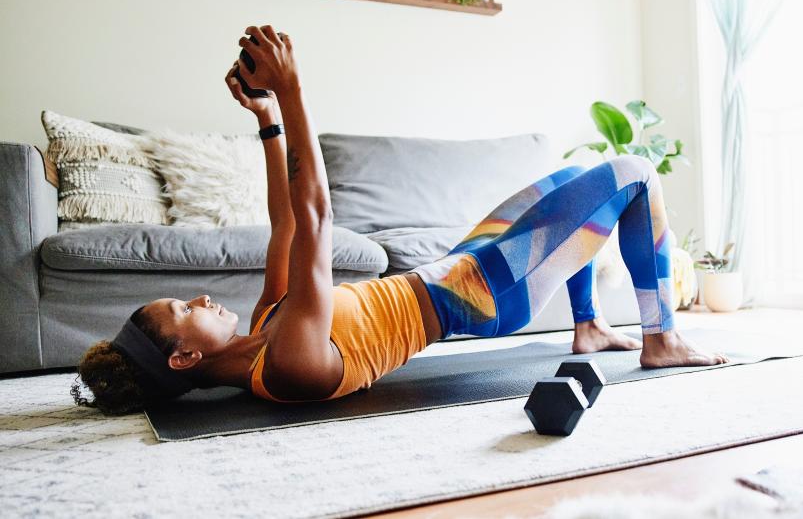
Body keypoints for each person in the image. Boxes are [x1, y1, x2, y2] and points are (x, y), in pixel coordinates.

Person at [71, 25, 728, 415]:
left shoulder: (267, 330)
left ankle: (587, 326)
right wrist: (295, 89)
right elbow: (317, 218)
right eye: (184, 308)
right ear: (185, 356)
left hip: (455, 270)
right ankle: (660, 338)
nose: (202, 297)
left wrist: (268, 120)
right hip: (480, 292)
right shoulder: (288, 365)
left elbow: (286, 226)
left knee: (566, 179)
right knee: (634, 174)